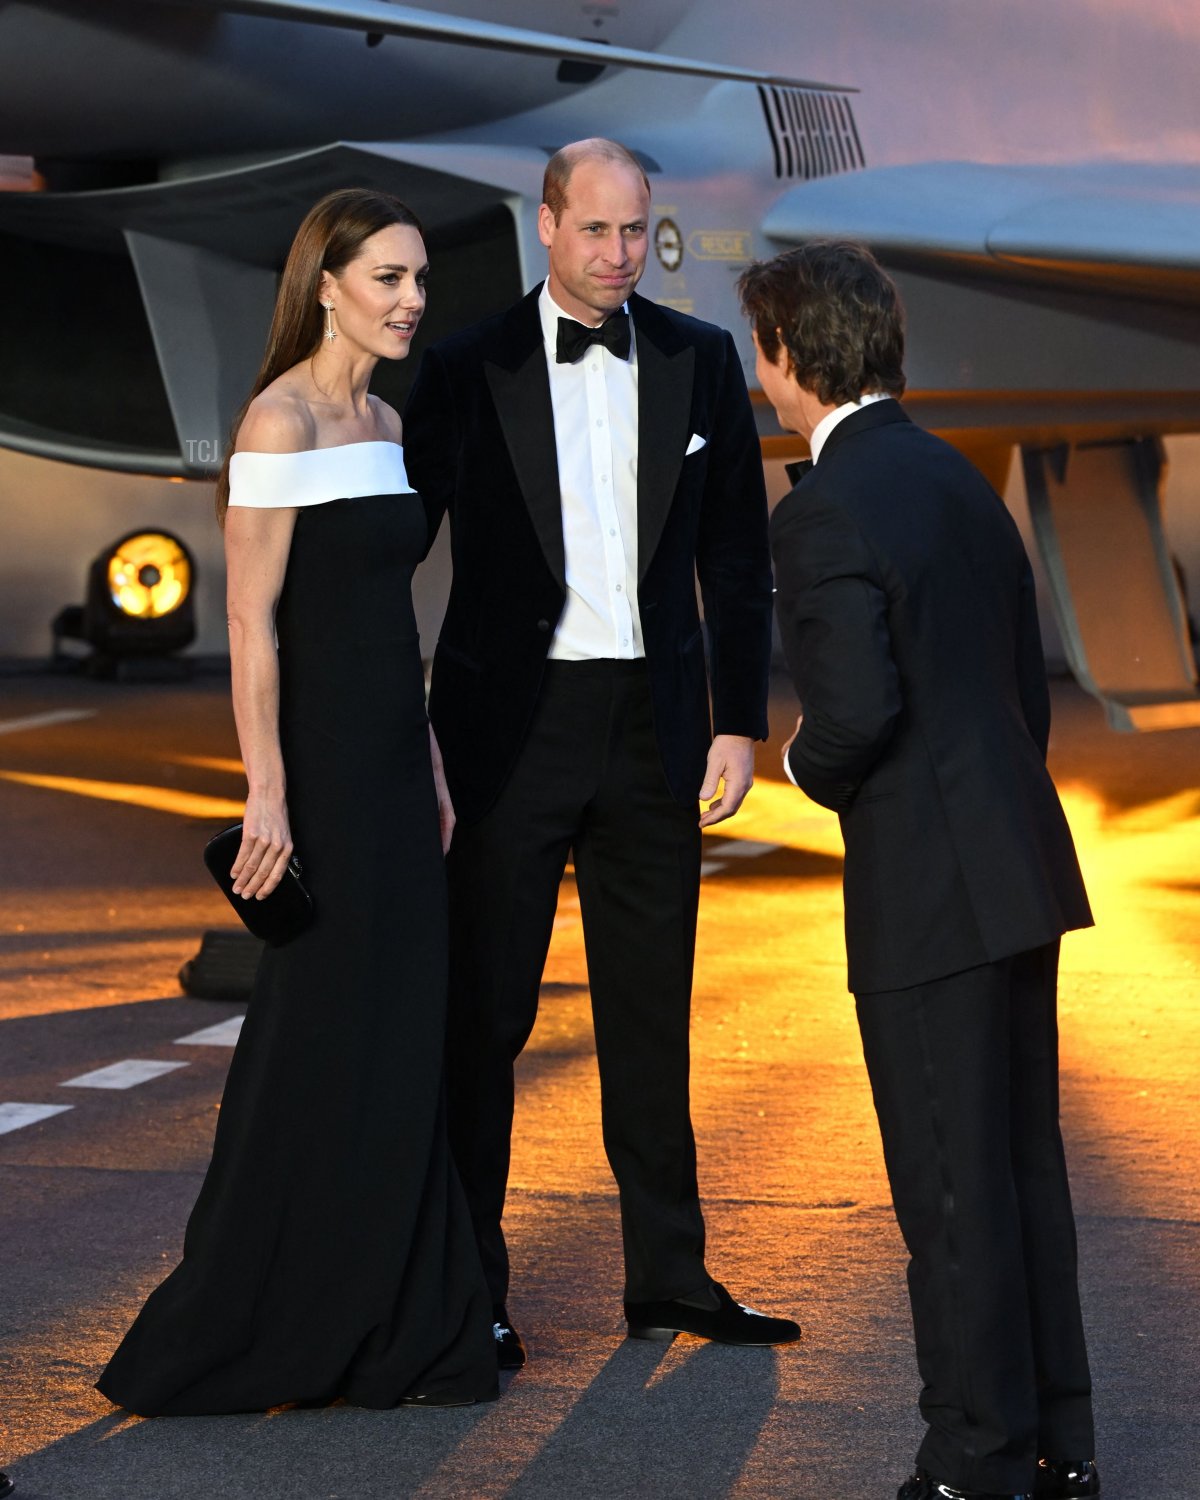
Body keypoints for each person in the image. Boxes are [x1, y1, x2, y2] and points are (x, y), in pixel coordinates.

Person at [96, 189, 497, 1414]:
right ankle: (259, 1316)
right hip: (318, 773)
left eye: (419, 278)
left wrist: (432, 761)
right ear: (325, 286)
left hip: (394, 766)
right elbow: (250, 621)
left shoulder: (385, 419)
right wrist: (267, 794)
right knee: (315, 1036)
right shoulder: (277, 422)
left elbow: (388, 617)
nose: (412, 300)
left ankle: (400, 1319)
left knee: (403, 1033)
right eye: (387, 278)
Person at [403, 138, 801, 1365]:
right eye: (596, 230)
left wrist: (738, 719)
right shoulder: (465, 365)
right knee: (486, 1023)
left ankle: (669, 1277)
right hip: (506, 733)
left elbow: (737, 554)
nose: (621, 254)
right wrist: (387, 716)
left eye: (635, 231)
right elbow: (393, 547)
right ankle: (469, 1288)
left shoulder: (698, 356)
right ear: (546, 226)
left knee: (650, 1016)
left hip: (653, 729)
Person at [739, 240, 1100, 1500]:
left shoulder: (821, 508)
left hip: (930, 890)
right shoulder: (957, 475)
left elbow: (854, 715)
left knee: (949, 1189)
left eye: (762, 351)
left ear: (791, 355)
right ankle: (1056, 1448)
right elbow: (1016, 691)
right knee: (1023, 1174)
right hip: (1018, 866)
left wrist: (798, 766)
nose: (761, 374)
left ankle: (972, 1464)